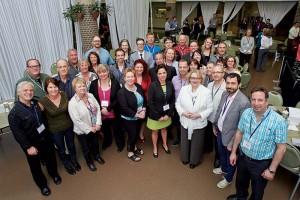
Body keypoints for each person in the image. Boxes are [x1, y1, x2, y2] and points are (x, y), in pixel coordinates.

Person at [227, 86, 287, 200]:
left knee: (257, 190)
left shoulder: (279, 121)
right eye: (253, 99)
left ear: (267, 101)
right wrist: (234, 152)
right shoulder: (246, 113)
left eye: (260, 100)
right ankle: (241, 198)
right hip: (243, 158)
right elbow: (239, 133)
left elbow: (281, 148)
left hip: (261, 164)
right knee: (240, 184)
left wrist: (271, 170)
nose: (256, 103)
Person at [9, 81, 61, 196]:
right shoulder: (14, 113)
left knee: (51, 159)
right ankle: (42, 185)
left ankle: (54, 174)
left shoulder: (36, 103)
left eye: (31, 90)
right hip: (32, 144)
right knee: (35, 166)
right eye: (25, 90)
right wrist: (28, 147)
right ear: (18, 93)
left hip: (45, 139)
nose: (29, 92)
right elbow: (18, 133)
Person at [213, 73, 250, 189]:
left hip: (231, 138)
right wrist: (215, 125)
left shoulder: (244, 103)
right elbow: (220, 110)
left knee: (231, 159)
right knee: (221, 153)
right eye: (228, 83)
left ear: (239, 84)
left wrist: (232, 144)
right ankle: (223, 168)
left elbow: (241, 127)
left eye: (233, 83)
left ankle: (228, 178)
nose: (229, 86)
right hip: (220, 131)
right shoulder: (225, 93)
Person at [38, 78, 81, 175]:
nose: (53, 89)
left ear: (58, 87)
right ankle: (66, 164)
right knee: (61, 148)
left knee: (71, 145)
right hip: (55, 130)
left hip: (68, 125)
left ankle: (74, 160)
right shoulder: (42, 102)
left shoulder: (64, 95)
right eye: (50, 87)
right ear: (46, 89)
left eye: (55, 86)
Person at [176, 69, 213, 168]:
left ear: (201, 79)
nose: (195, 80)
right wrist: (183, 113)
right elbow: (177, 104)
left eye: (197, 78)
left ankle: (194, 161)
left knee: (197, 142)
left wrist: (199, 115)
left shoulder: (206, 92)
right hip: (185, 121)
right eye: (192, 78)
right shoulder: (184, 89)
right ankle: (185, 158)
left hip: (198, 122)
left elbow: (210, 108)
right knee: (184, 142)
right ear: (189, 79)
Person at [69, 78, 105, 172]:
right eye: (79, 86)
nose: (82, 88)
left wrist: (98, 123)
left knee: (95, 143)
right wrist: (89, 129)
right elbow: (76, 120)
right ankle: (89, 162)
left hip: (95, 126)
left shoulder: (90, 95)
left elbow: (97, 109)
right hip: (82, 131)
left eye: (83, 85)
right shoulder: (72, 103)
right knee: (86, 148)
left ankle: (97, 156)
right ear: (74, 88)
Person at [89, 64, 125, 152]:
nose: (102, 74)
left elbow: (118, 97)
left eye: (104, 72)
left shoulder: (115, 82)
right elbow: (92, 98)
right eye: (100, 72)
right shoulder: (94, 84)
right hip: (100, 112)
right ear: (97, 74)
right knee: (106, 129)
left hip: (113, 110)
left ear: (108, 72)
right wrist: (101, 109)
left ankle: (120, 144)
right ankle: (107, 142)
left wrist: (108, 109)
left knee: (117, 129)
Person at [118, 68, 147, 162]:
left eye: (132, 76)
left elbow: (144, 100)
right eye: (128, 77)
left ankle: (134, 148)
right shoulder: (122, 92)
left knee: (136, 133)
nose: (130, 78)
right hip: (129, 118)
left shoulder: (138, 86)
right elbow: (125, 108)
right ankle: (130, 152)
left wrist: (144, 110)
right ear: (124, 78)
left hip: (140, 115)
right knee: (132, 135)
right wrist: (138, 115)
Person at [147, 65, 175, 158]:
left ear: (167, 73)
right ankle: (155, 147)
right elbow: (150, 103)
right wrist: (158, 116)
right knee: (155, 132)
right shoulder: (152, 85)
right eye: (160, 73)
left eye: (164, 73)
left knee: (164, 129)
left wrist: (168, 114)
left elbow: (172, 100)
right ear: (157, 75)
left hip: (166, 114)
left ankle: (164, 145)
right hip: (155, 115)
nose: (162, 75)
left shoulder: (170, 84)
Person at [206, 64, 226, 168]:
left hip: (218, 119)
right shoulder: (210, 85)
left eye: (218, 72)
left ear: (223, 73)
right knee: (209, 136)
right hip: (208, 117)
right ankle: (208, 149)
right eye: (214, 72)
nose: (216, 74)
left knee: (218, 141)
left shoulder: (226, 88)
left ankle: (218, 158)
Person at [171, 59, 189, 146]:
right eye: (180, 67)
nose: (182, 69)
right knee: (177, 124)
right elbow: (172, 93)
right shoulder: (174, 79)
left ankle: (186, 141)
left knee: (186, 125)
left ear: (188, 67)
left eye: (184, 67)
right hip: (176, 106)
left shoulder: (191, 79)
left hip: (187, 107)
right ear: (178, 68)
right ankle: (179, 138)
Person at [134, 59, 151, 142]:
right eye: (137, 67)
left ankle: (141, 133)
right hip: (133, 103)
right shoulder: (131, 76)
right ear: (134, 67)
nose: (139, 69)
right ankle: (135, 134)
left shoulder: (147, 77)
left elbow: (148, 91)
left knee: (143, 120)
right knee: (135, 119)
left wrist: (146, 103)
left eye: (141, 67)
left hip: (144, 102)